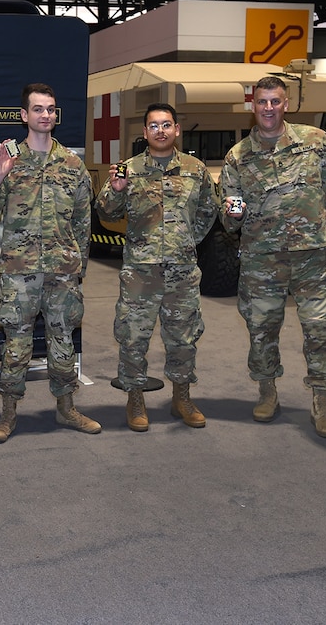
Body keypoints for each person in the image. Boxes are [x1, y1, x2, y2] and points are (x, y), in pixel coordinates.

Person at [220, 75, 326, 437]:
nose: (268, 108)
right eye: (262, 102)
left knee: (320, 329)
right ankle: (267, 391)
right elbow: (230, 211)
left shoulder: (315, 141)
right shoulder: (238, 157)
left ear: (286, 104)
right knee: (262, 329)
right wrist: (232, 214)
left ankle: (323, 401)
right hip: (261, 259)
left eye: (275, 101)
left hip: (312, 256)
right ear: (252, 105)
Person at [0, 82, 99, 442]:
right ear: (24, 115)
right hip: (20, 273)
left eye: (51, 109)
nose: (46, 115)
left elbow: (82, 223)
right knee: (17, 345)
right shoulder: (9, 160)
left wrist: (79, 269)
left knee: (63, 342)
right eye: (39, 109)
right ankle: (8, 413)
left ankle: (66, 408)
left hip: (63, 273)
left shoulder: (73, 164)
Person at [96, 103, 218, 431]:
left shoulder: (196, 169)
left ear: (177, 129)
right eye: (154, 126)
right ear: (145, 132)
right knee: (133, 336)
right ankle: (135, 398)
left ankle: (182, 397)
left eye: (166, 125)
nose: (160, 131)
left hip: (182, 270)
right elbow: (105, 214)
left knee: (183, 337)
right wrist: (116, 192)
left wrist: (186, 241)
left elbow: (209, 211)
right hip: (141, 271)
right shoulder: (127, 169)